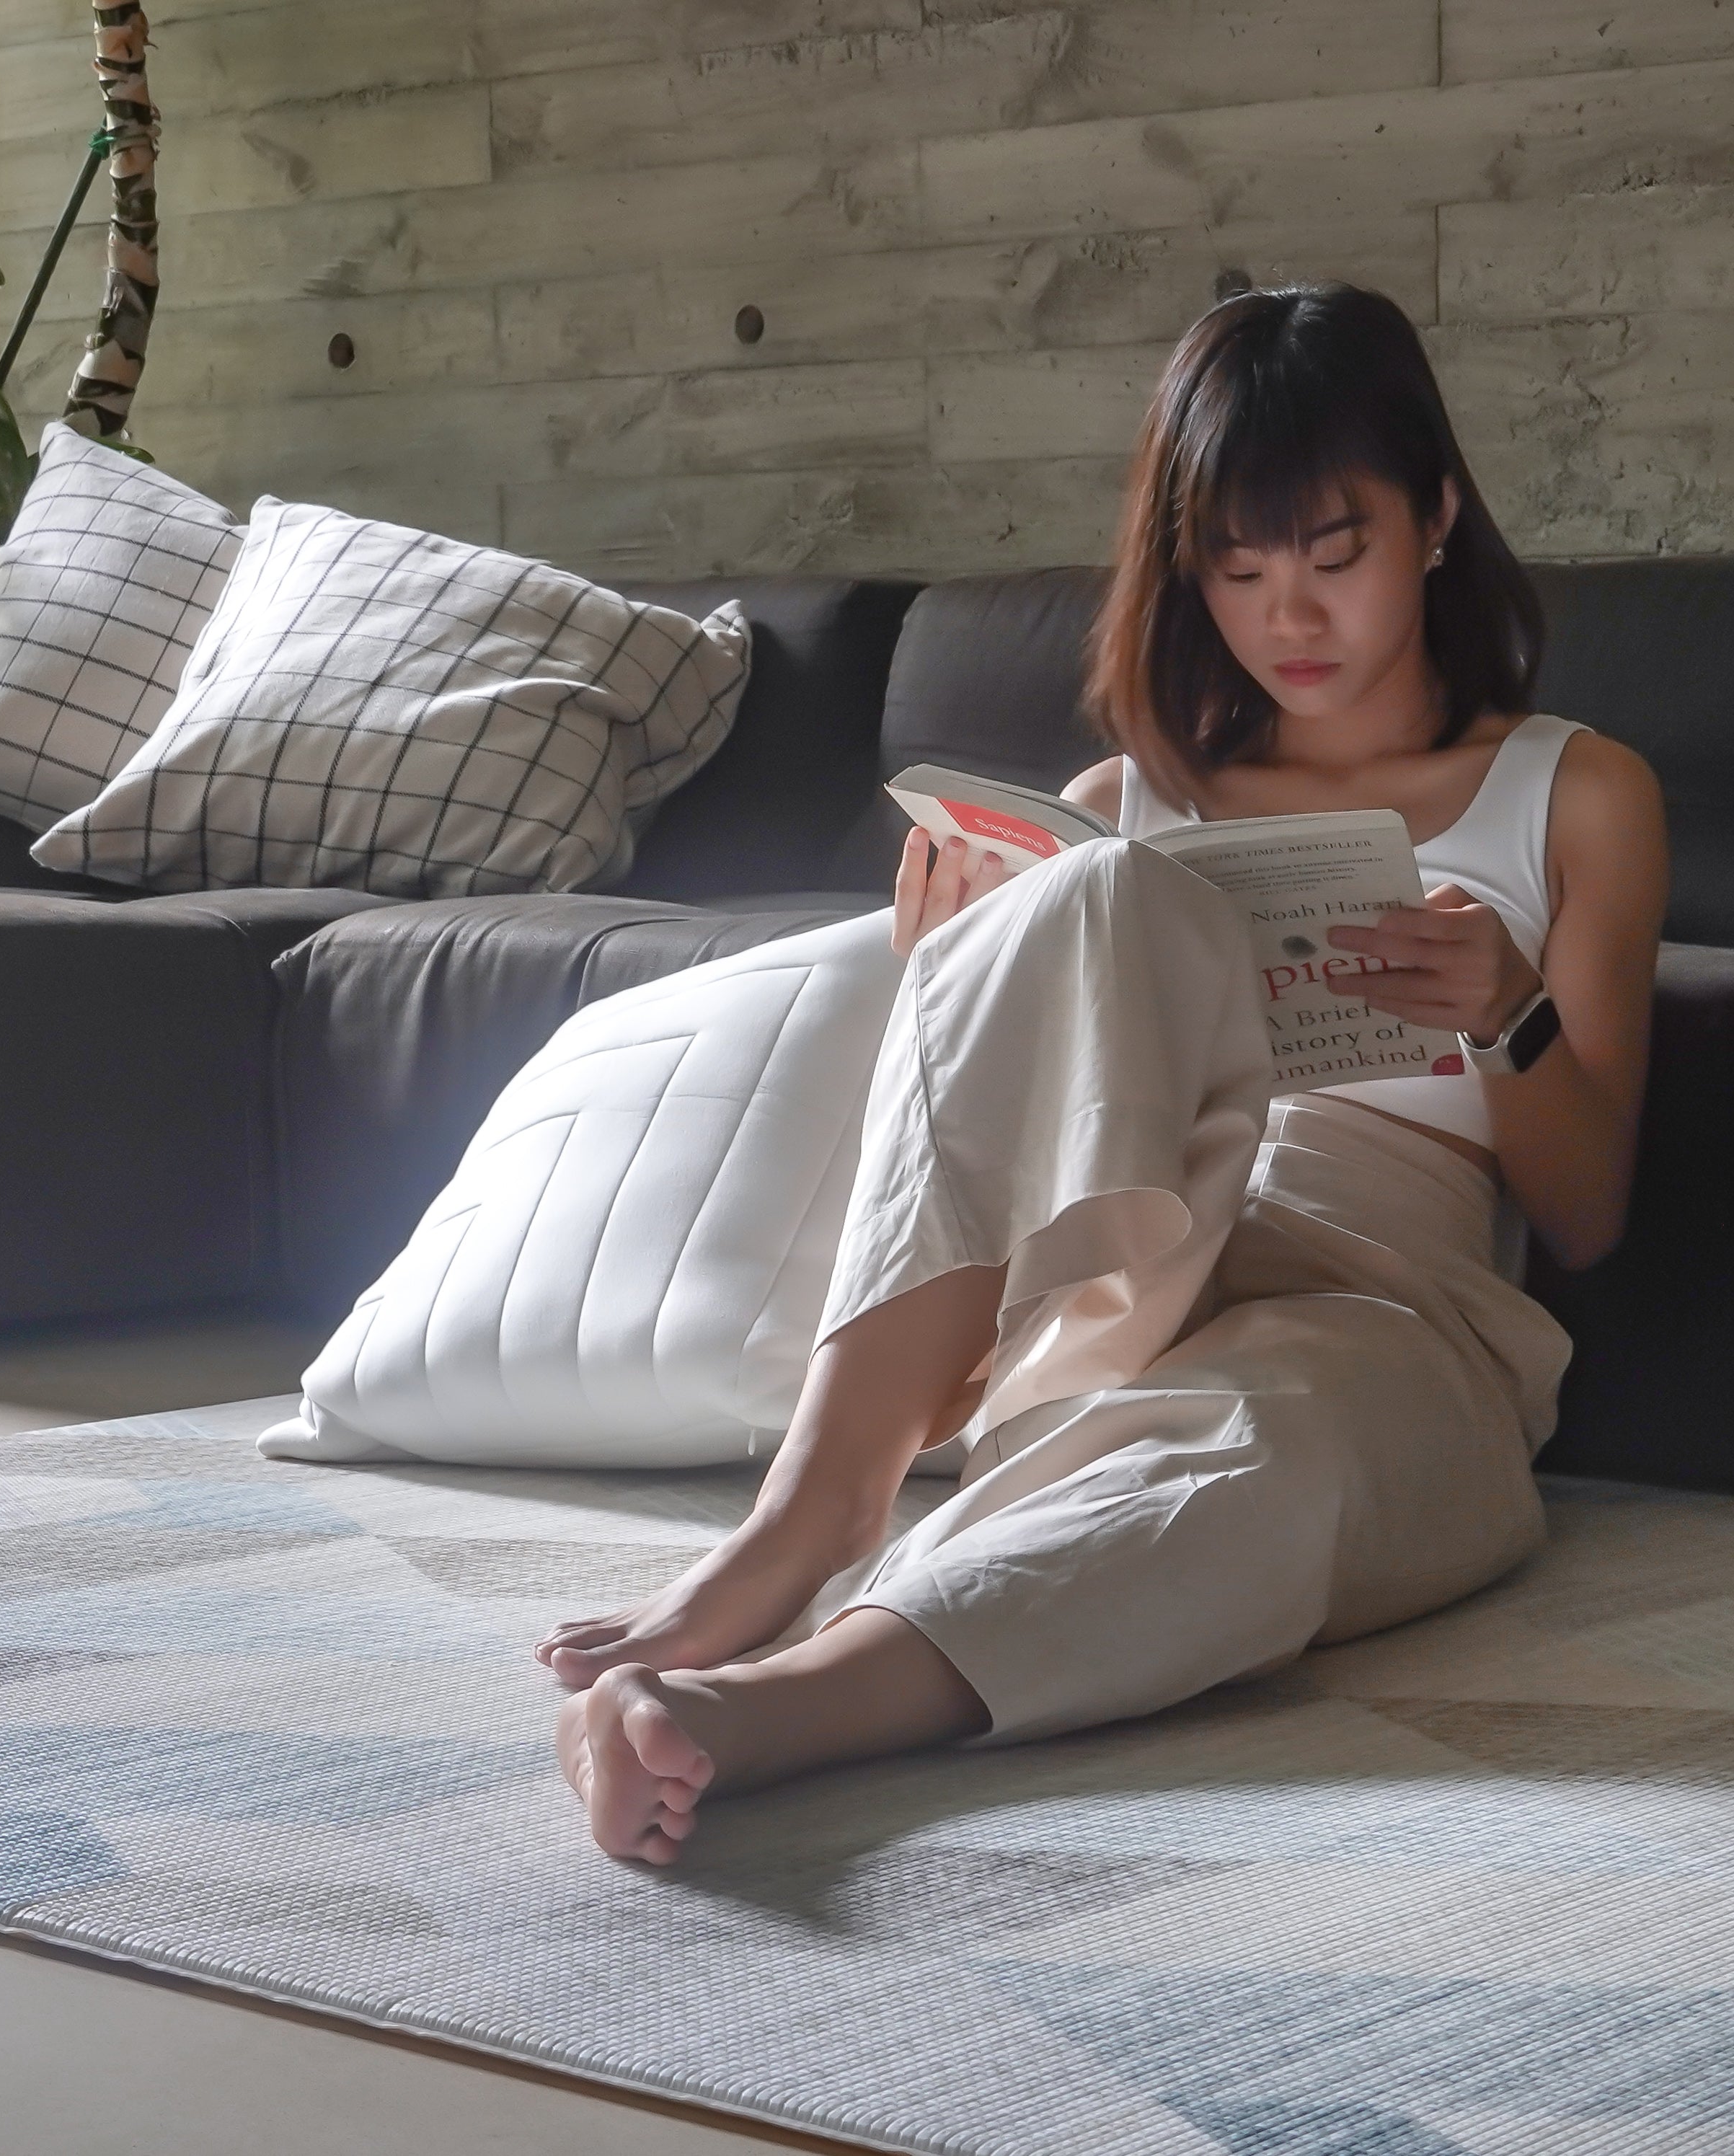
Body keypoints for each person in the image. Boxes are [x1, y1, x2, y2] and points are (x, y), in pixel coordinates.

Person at [544, 283, 1670, 1867]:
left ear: (1432, 519)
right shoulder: (1119, 801)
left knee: (1267, 1464)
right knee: (1094, 887)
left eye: (1333, 555)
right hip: (1127, 1270)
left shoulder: (1577, 791)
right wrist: (951, 963)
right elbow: (993, 1170)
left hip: (1390, 1317)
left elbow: (1590, 1216)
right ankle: (811, 1512)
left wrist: (1505, 1011)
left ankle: (761, 1713)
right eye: (1236, 566)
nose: (1288, 616)